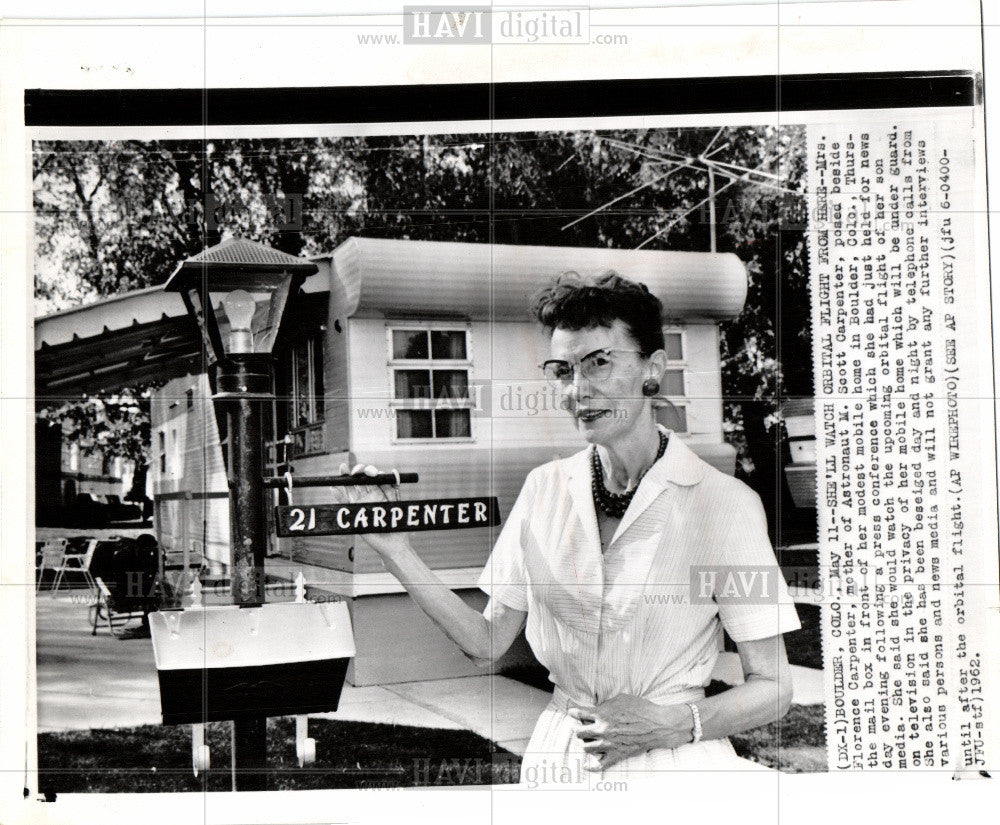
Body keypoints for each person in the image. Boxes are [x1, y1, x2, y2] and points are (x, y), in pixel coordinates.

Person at [337, 271, 801, 786]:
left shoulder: (724, 505)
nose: (577, 390)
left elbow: (774, 686)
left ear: (653, 369)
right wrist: (397, 552)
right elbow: (487, 642)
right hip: (559, 762)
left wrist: (674, 725)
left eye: (599, 362)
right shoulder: (544, 491)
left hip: (677, 770)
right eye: (563, 370)